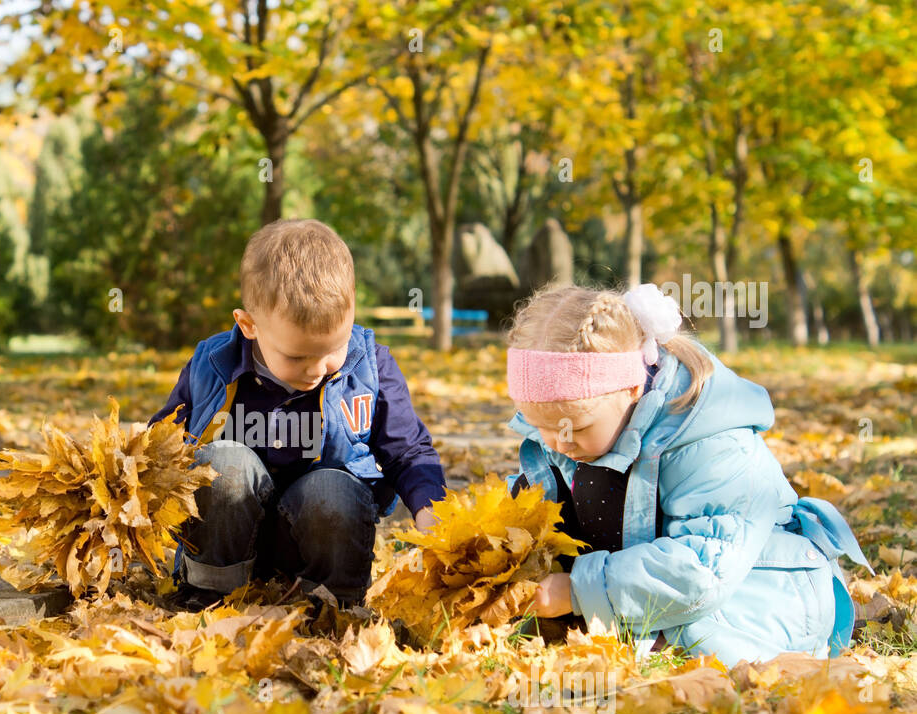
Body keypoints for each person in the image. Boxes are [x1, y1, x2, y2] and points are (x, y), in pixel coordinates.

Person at [506, 282, 871, 665]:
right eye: (537, 426)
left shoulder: (711, 439)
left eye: (575, 428)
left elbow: (703, 567)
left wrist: (576, 591)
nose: (557, 442)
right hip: (633, 582)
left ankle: (640, 630)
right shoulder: (566, 428)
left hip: (758, 591)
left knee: (694, 637)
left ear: (630, 389)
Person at [151, 219, 447, 610]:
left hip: (319, 546)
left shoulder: (369, 366)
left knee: (334, 488)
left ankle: (331, 605)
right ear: (249, 325)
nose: (319, 368)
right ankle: (207, 593)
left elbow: (408, 452)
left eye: (333, 348)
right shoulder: (213, 365)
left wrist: (432, 513)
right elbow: (159, 447)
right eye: (297, 356)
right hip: (226, 544)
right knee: (222, 463)